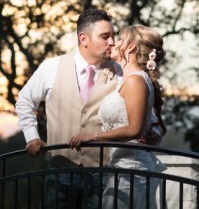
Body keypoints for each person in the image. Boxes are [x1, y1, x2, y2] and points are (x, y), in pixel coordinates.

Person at [15, 8, 121, 208]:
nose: (112, 42)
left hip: (104, 172)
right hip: (60, 169)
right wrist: (32, 137)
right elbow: (24, 101)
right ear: (84, 38)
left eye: (113, 36)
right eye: (105, 36)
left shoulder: (120, 72)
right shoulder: (52, 67)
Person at [69, 25, 167, 208]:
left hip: (133, 170)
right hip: (120, 168)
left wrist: (93, 137)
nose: (114, 43)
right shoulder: (127, 80)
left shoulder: (136, 80)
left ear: (130, 47)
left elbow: (135, 129)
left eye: (120, 39)